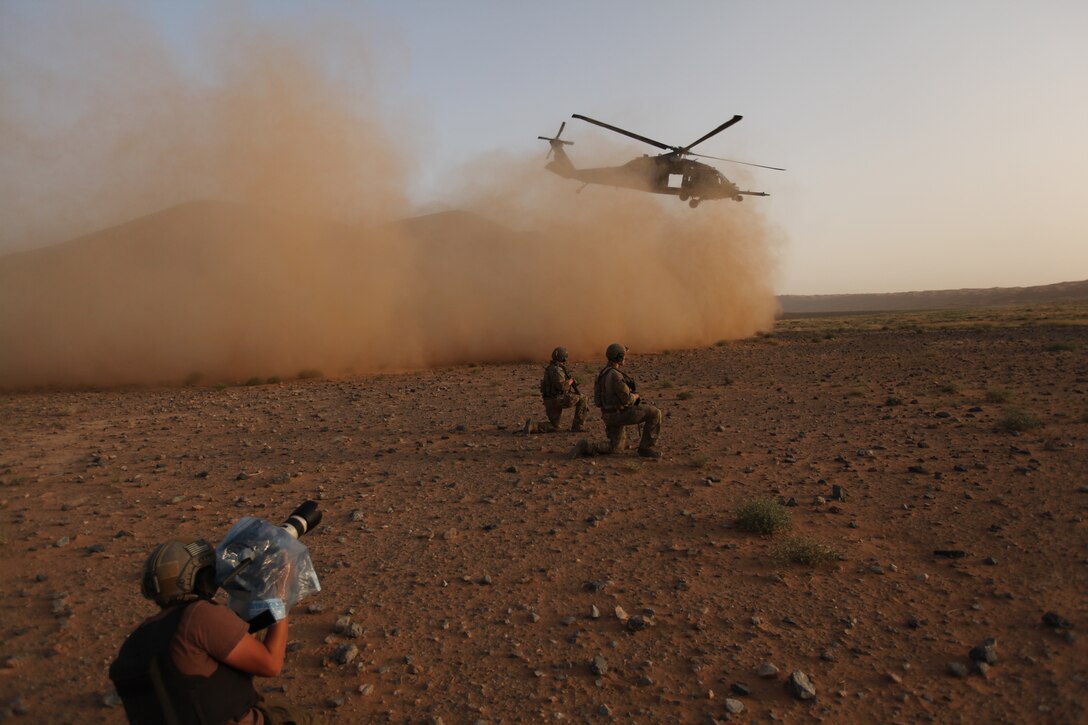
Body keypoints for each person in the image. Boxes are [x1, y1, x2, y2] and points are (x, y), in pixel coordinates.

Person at [110, 539, 316, 725]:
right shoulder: (198, 616)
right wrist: (281, 596)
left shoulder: (136, 639)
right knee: (299, 717)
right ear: (198, 577)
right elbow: (271, 665)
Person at [571, 343, 662, 458]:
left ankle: (586, 446)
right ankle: (646, 448)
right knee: (655, 413)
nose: (625, 358)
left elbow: (598, 401)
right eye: (623, 356)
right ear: (619, 357)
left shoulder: (602, 374)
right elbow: (627, 400)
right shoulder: (616, 375)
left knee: (616, 448)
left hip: (608, 415)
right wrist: (635, 396)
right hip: (619, 414)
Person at [523, 346, 587, 434]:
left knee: (554, 426)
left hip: (549, 401)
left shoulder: (550, 368)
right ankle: (578, 426)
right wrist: (571, 381)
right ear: (562, 358)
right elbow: (561, 386)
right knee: (583, 398)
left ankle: (533, 425)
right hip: (558, 399)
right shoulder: (557, 369)